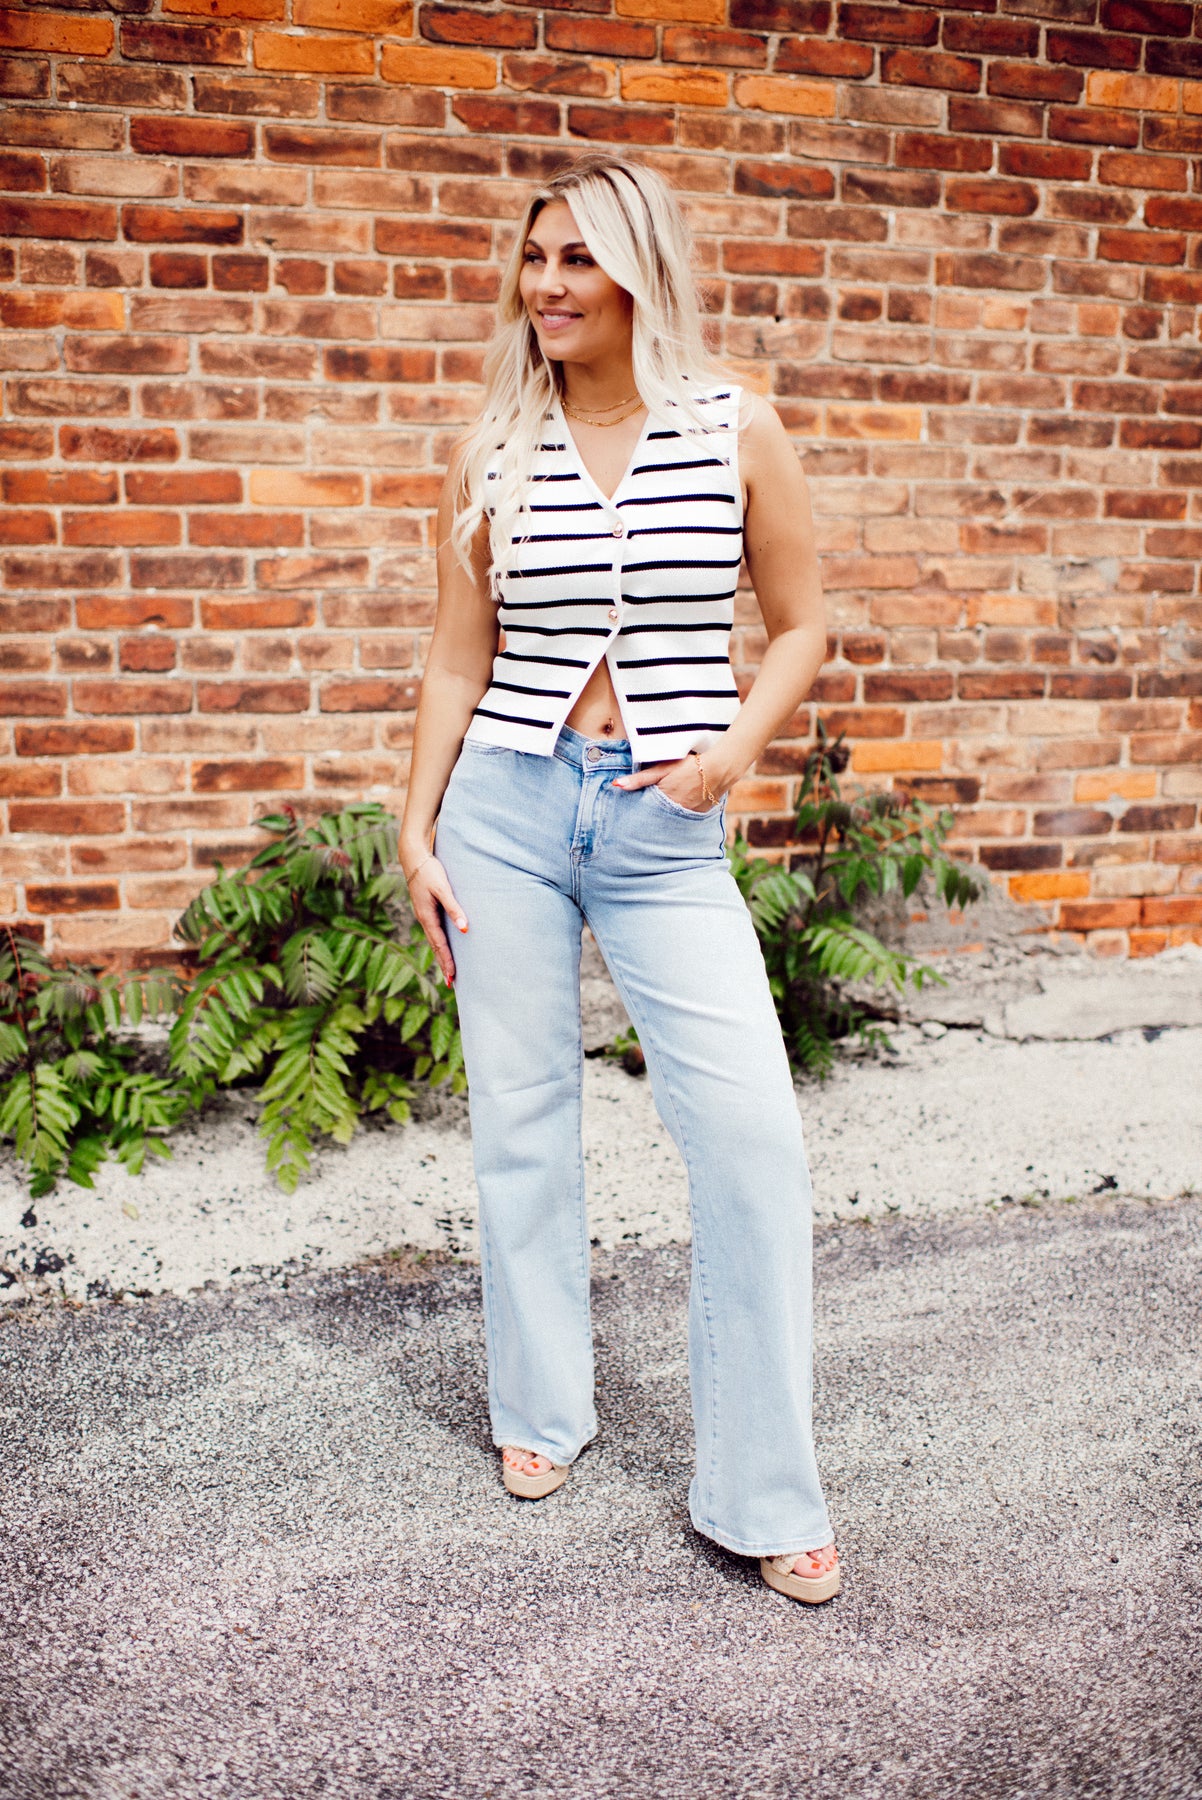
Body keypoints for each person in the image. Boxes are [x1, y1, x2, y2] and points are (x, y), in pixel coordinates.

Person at [399, 151, 839, 1605]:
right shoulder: (494, 447)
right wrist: (416, 828)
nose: (548, 285)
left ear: (639, 269)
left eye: (578, 258)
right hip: (505, 810)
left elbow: (801, 626)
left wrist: (727, 756)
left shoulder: (732, 426)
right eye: (534, 259)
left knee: (751, 1145)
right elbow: (457, 655)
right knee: (522, 1120)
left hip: (663, 825)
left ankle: (761, 1490)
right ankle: (541, 1408)